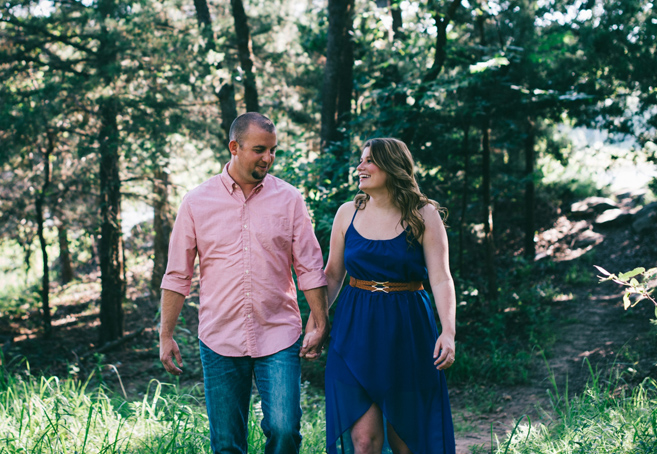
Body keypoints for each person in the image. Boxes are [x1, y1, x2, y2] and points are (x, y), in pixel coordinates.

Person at [159, 112, 329, 454]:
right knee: (226, 444)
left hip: (279, 333)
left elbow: (309, 266)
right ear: (234, 147)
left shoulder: (290, 199)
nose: (268, 158)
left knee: (284, 430)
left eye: (273, 150)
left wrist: (320, 321)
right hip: (220, 336)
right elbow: (178, 274)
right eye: (259, 149)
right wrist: (166, 334)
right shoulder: (196, 202)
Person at [312, 137, 456, 454]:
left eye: (368, 161)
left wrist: (448, 331)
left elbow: (441, 278)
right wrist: (317, 324)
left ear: (392, 166)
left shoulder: (424, 215)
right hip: (355, 330)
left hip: (407, 330)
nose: (359, 167)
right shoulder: (346, 213)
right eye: (360, 160)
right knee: (364, 441)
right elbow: (333, 274)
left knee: (406, 440)